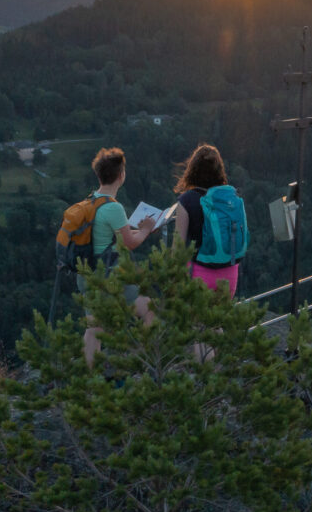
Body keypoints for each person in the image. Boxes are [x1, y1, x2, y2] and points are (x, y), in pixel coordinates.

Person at [81, 146, 156, 367]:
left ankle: (90, 377)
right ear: (121, 175)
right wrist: (146, 229)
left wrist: (138, 231)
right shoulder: (113, 207)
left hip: (87, 274)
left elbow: (111, 238)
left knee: (94, 327)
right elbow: (129, 243)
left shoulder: (90, 202)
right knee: (149, 308)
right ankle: (141, 360)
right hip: (109, 278)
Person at [173, 143, 241, 297]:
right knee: (220, 321)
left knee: (194, 321)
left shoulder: (186, 201)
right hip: (228, 275)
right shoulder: (231, 198)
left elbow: (177, 250)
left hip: (198, 275)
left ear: (192, 170)